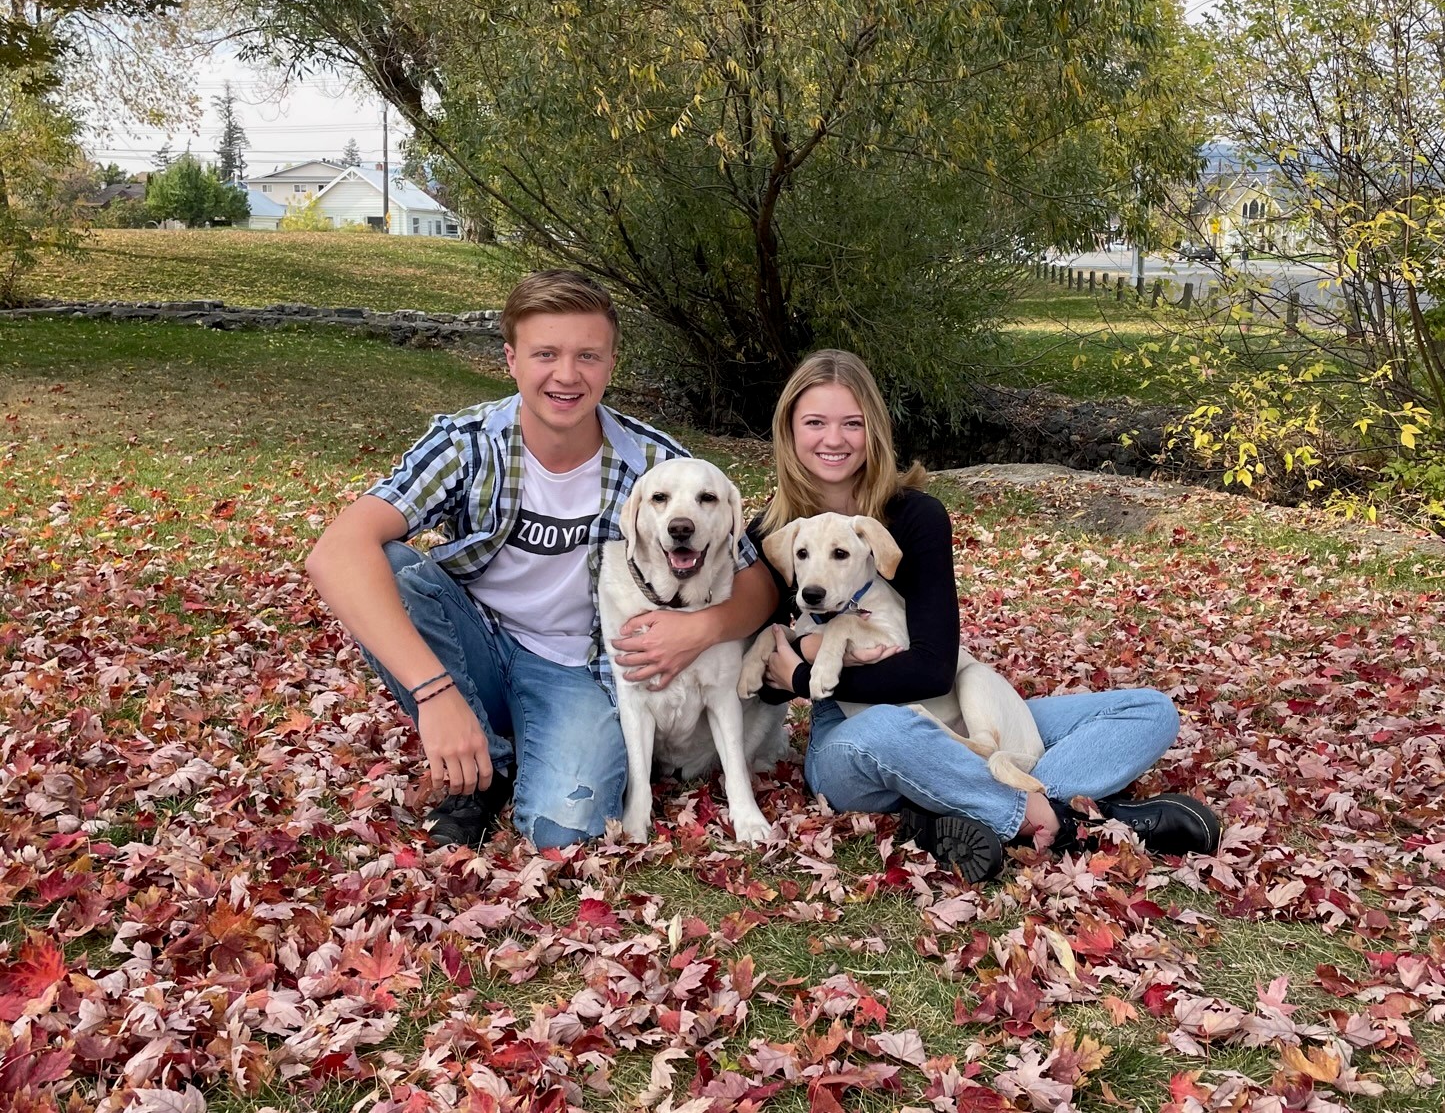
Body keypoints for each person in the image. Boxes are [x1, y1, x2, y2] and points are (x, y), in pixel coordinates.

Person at [307, 269, 777, 849]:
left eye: (587, 356)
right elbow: (335, 553)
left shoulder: (656, 467)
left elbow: (758, 584)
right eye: (545, 354)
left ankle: (523, 747)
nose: (566, 375)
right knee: (396, 568)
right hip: (471, 643)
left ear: (610, 364)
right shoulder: (467, 443)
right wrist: (435, 694)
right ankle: (479, 773)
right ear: (511, 359)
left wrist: (699, 628)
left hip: (575, 671)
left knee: (566, 830)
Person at [754, 349, 1221, 884]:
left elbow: (933, 669)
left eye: (851, 423)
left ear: (874, 431)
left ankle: (952, 810)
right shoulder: (773, 533)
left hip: (952, 710)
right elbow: (760, 682)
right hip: (852, 736)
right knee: (890, 729)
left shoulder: (918, 517)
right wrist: (801, 663)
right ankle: (1072, 822)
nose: (833, 440)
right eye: (815, 422)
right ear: (789, 430)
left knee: (1149, 710)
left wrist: (799, 672)